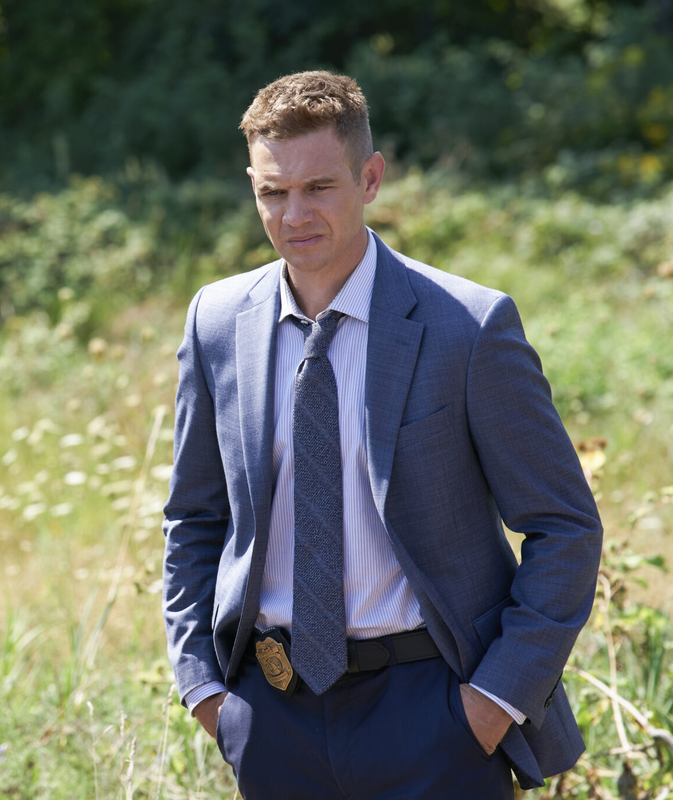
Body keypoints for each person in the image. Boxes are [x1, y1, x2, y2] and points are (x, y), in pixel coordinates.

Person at [161, 71, 601, 798]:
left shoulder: (468, 327)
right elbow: (194, 517)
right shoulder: (216, 320)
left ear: (369, 178)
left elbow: (565, 527)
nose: (294, 214)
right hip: (272, 715)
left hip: (434, 715)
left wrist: (491, 704)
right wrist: (206, 691)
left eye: (319, 187)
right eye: (273, 192)